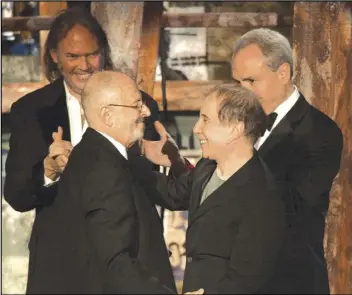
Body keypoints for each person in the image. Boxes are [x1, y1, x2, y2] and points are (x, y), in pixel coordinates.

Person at [15, 71, 176, 294]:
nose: (146, 112)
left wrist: (177, 161)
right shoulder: (103, 167)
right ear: (108, 115)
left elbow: (174, 193)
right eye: (137, 105)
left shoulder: (105, 155)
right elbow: (116, 262)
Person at [4, 7, 159, 213]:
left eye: (92, 55)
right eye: (72, 56)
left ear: (104, 52)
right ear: (55, 56)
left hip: (125, 238)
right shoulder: (31, 110)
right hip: (62, 242)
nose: (84, 65)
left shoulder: (141, 105)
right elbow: (17, 196)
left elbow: (151, 184)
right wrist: (48, 171)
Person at [137, 84, 285, 294]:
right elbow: (173, 193)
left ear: (236, 128)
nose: (196, 128)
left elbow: (247, 278)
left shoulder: (263, 196)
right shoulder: (206, 168)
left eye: (205, 120)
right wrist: (128, 163)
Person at [230, 28, 343, 294]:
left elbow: (293, 206)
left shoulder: (320, 132)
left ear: (282, 73)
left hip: (289, 282)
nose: (242, 92)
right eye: (237, 82)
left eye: (251, 81)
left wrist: (241, 157)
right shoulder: (239, 122)